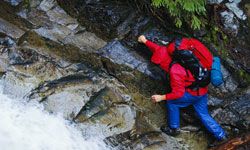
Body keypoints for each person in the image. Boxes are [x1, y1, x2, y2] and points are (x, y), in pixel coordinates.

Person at [137, 35, 227, 141]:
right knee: (203, 114)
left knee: (172, 103)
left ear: (162, 64)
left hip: (191, 94)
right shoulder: (175, 54)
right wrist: (145, 41)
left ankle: (173, 128)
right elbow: (157, 48)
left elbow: (178, 93)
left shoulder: (174, 71)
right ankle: (221, 135)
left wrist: (162, 97)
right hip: (202, 91)